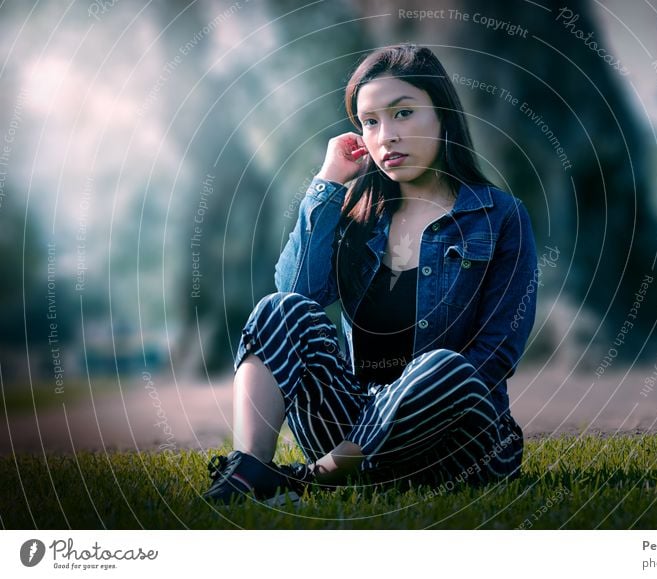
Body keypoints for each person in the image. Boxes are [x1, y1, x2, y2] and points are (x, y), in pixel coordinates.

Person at [202, 43, 539, 506]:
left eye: (403, 114)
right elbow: (296, 298)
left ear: (443, 116)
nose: (385, 136)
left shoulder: (500, 215)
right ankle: (250, 471)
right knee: (276, 310)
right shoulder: (355, 214)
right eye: (370, 121)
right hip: (352, 425)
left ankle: (313, 477)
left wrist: (400, 402)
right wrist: (327, 183)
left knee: (444, 366)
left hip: (459, 440)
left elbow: (498, 350)